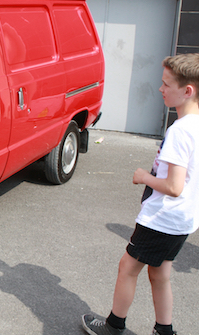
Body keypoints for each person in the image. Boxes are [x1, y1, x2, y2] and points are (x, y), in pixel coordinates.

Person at [82, 53, 199, 335]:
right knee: (160, 273)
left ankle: (113, 326)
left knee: (127, 267)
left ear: (187, 91)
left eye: (166, 84)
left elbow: (173, 186)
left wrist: (144, 177)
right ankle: (164, 330)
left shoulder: (181, 131)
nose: (160, 89)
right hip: (183, 219)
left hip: (163, 218)